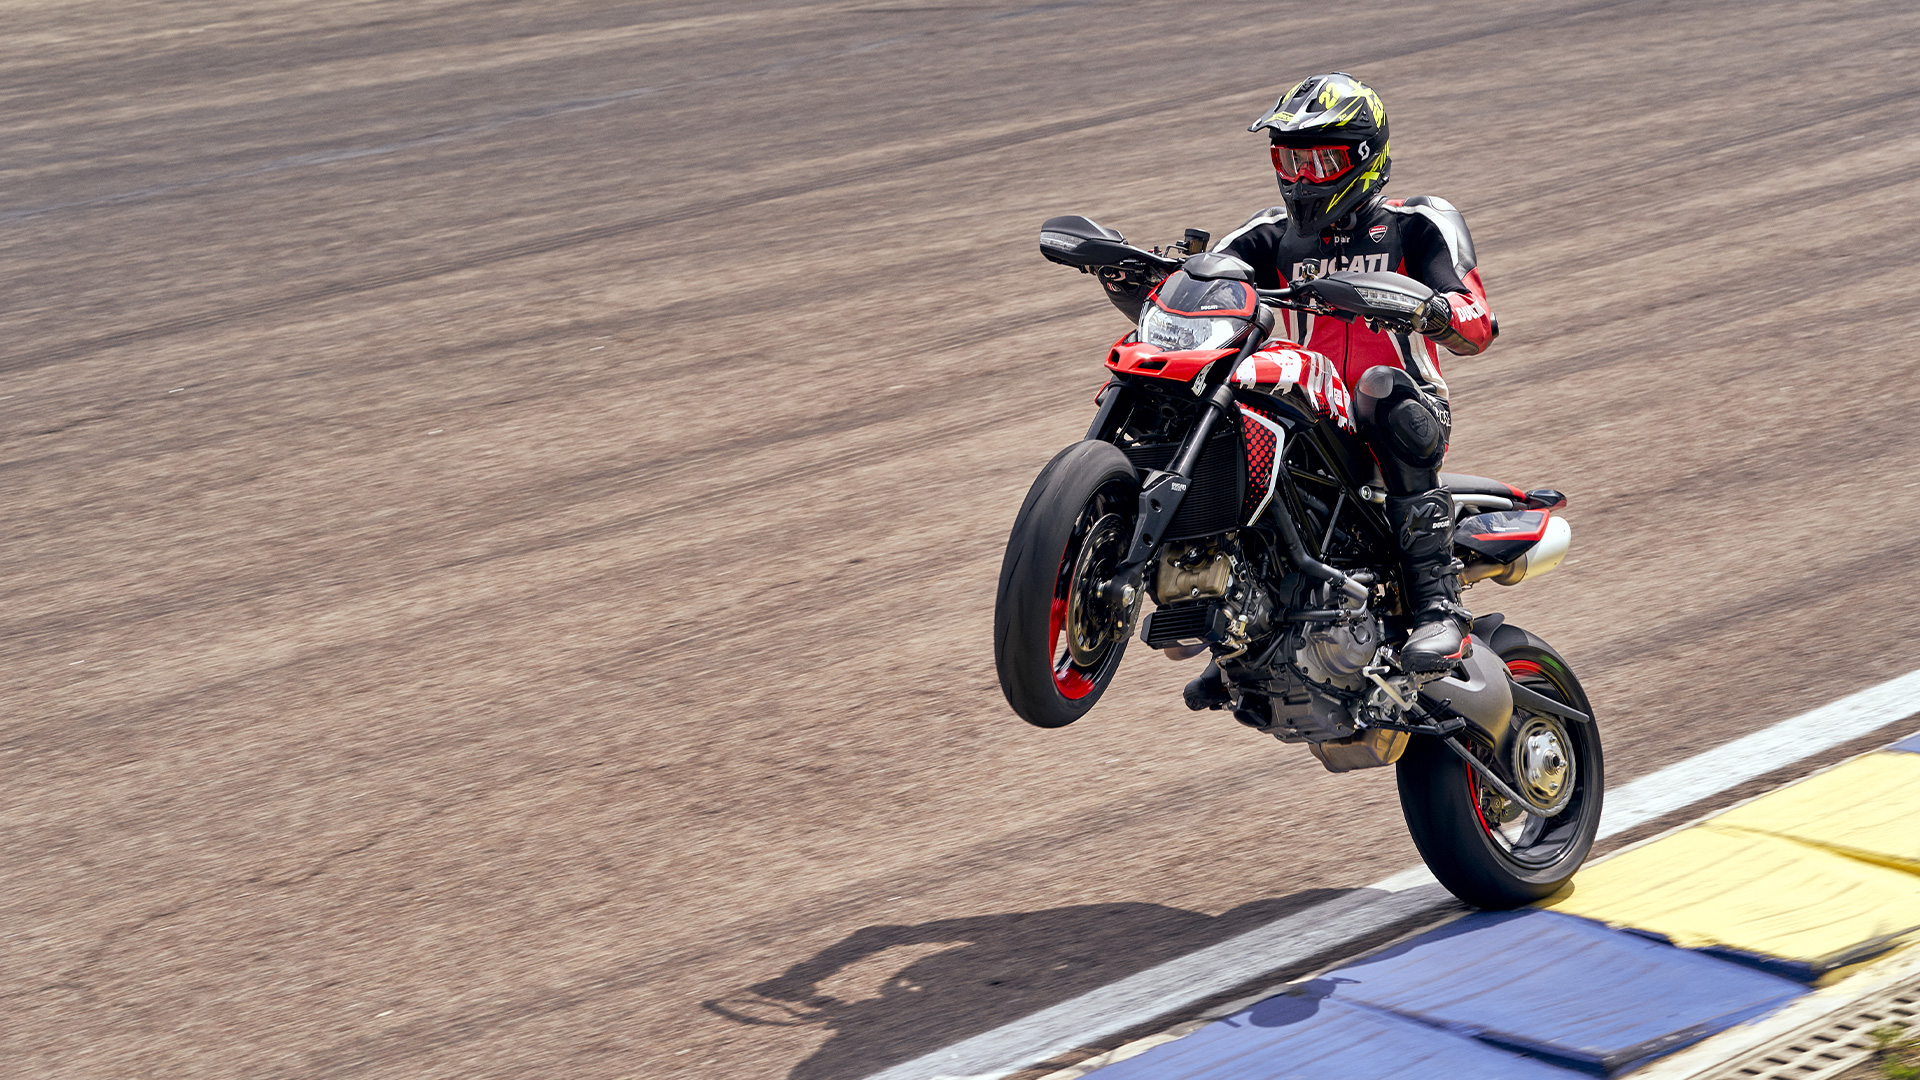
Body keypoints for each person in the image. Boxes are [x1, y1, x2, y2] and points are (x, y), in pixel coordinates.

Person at [1207, 72, 1498, 683]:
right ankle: (1235, 622)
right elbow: (1203, 280)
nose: (1301, 179)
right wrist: (1138, 277)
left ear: (1365, 157)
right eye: (1290, 161)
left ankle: (1438, 606)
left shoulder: (1417, 223)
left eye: (1319, 162)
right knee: (1231, 401)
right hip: (1312, 412)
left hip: (1403, 411)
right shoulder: (1269, 234)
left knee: (1380, 387)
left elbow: (1478, 321)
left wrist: (1429, 309)